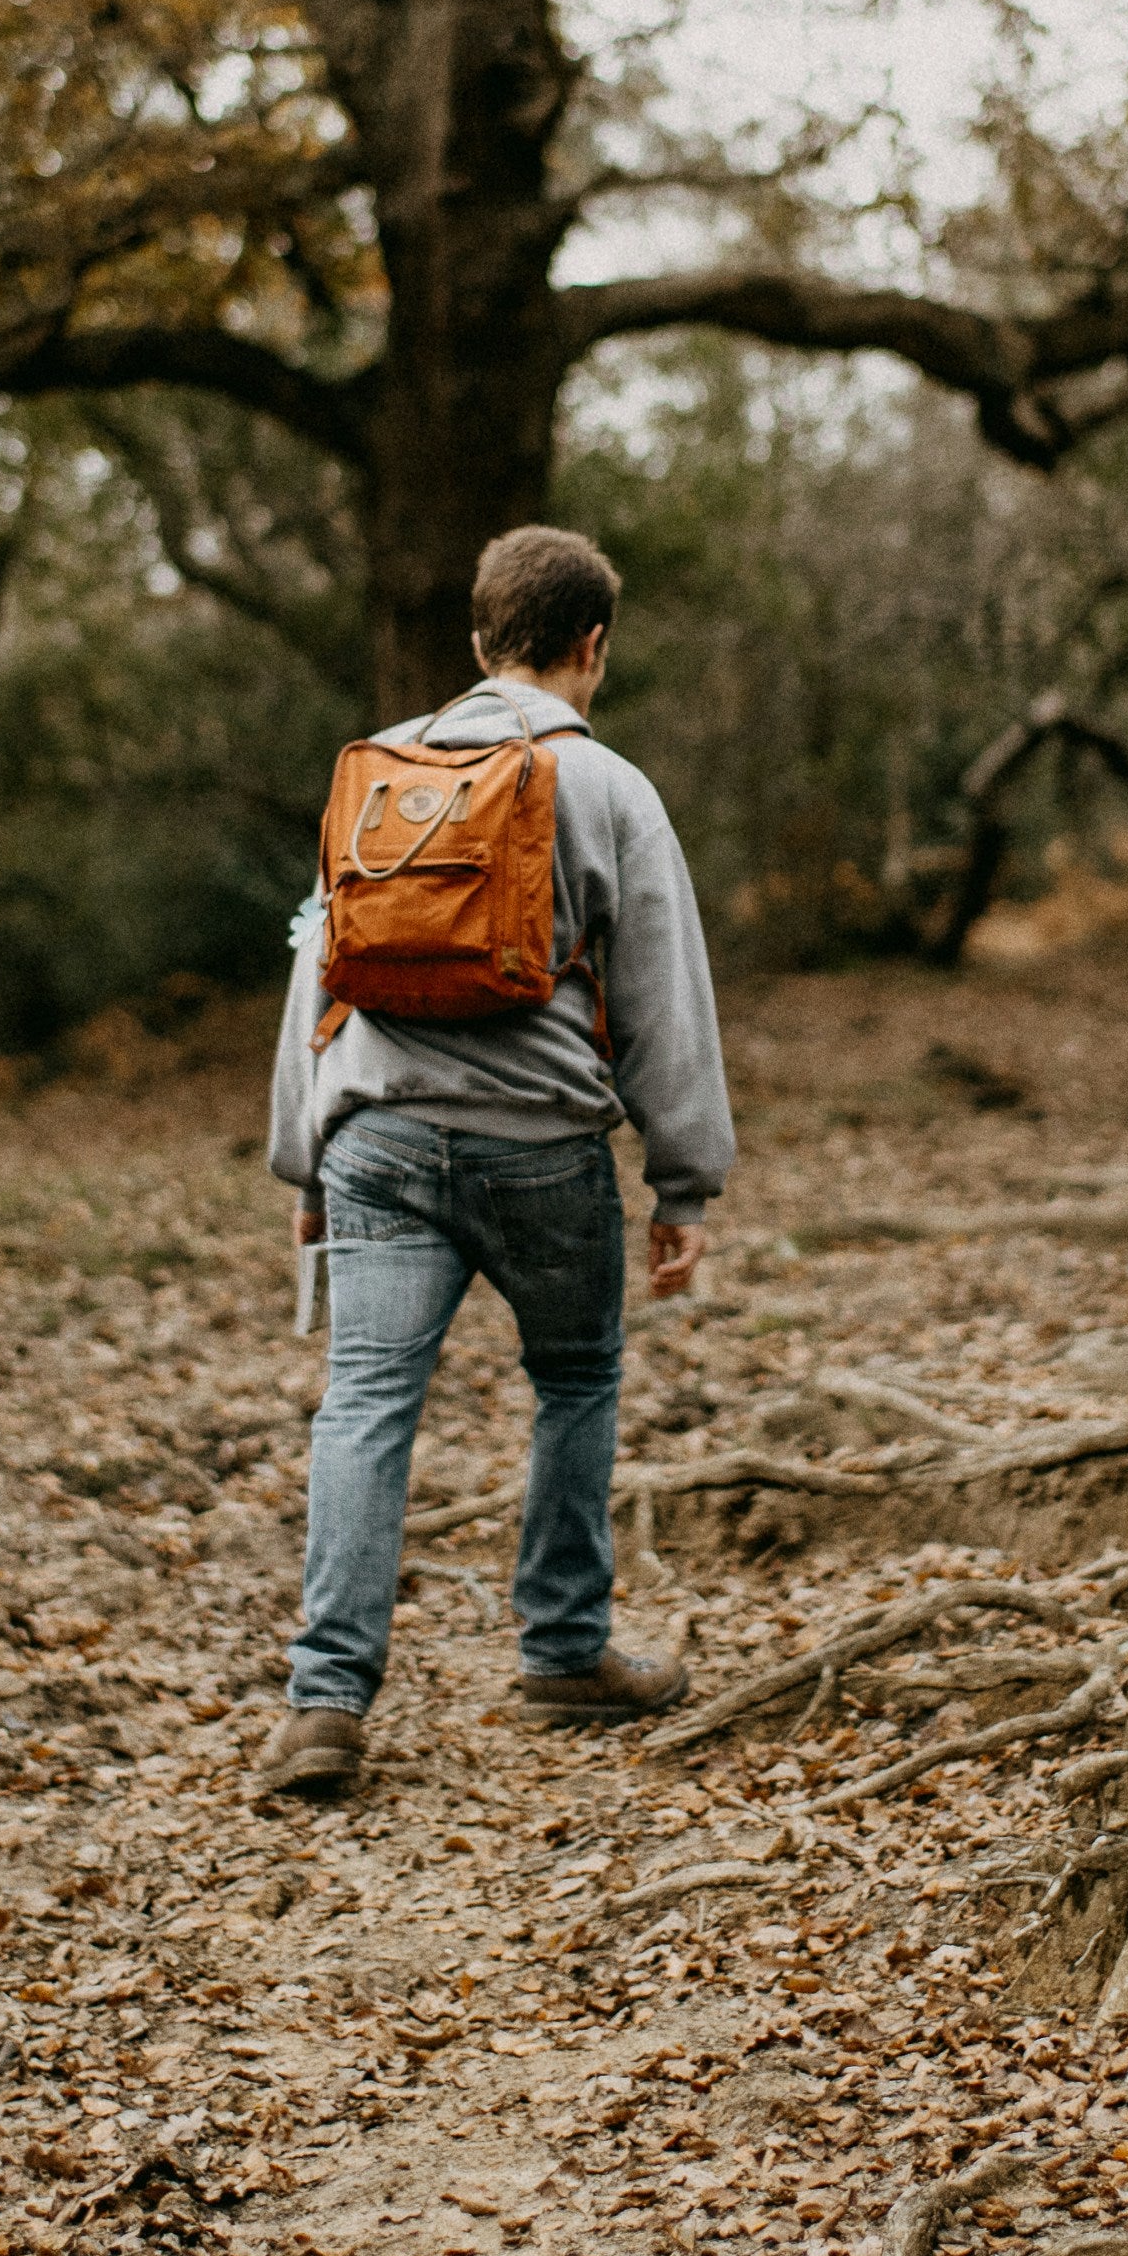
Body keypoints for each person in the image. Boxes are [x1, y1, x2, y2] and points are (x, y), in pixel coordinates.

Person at [256, 525, 732, 1799]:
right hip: (539, 1150)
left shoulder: (379, 773)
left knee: (364, 1401)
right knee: (574, 1378)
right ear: (593, 646)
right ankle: (565, 1650)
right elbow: (663, 1001)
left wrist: (305, 1163)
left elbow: (317, 970)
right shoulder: (611, 789)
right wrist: (683, 1181)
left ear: (477, 641)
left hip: (376, 1143)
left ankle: (321, 1704)